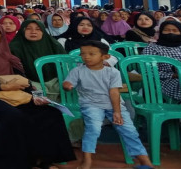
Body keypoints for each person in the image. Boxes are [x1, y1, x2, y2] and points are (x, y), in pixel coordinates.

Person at [0, 20, 75, 169]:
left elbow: (23, 81)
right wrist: (3, 86)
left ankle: (43, 160)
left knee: (49, 113)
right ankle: (19, 163)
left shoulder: (8, 55)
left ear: (1, 35)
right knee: (14, 116)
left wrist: (35, 96)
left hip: (11, 94)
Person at [63, 41, 154, 169]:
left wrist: (117, 112)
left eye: (91, 54)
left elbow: (114, 92)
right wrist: (67, 86)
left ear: (104, 57)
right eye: (83, 54)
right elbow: (67, 83)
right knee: (93, 129)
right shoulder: (77, 71)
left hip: (114, 105)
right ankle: (87, 160)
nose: (86, 57)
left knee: (129, 130)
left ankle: (145, 161)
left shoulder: (113, 72)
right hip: (90, 105)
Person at [142, 19, 181, 104]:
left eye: (175, 30)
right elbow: (148, 72)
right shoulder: (152, 48)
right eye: (166, 30)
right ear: (161, 32)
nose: (170, 32)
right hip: (166, 82)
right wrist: (174, 75)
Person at [8, 19, 66, 100]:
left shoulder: (54, 45)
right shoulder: (14, 47)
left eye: (38, 29)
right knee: (40, 104)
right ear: (22, 30)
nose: (33, 32)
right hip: (29, 84)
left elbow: (65, 66)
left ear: (43, 31)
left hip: (57, 82)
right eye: (28, 28)